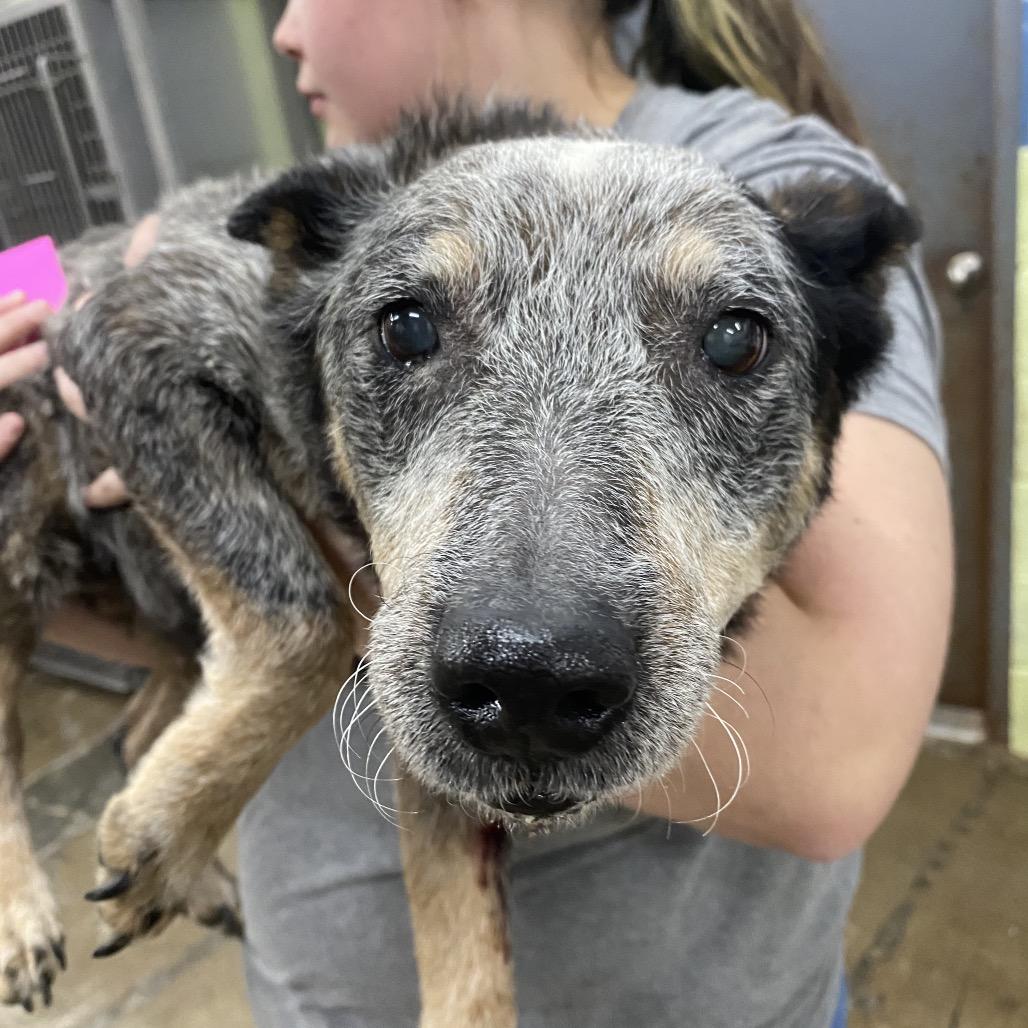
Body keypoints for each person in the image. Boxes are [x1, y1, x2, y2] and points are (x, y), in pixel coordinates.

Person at [2, 2, 953, 1025]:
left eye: (728, 343)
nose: (280, 33)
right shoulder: (336, 200)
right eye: (409, 328)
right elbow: (99, 265)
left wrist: (305, 630)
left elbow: (841, 766)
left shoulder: (764, 165)